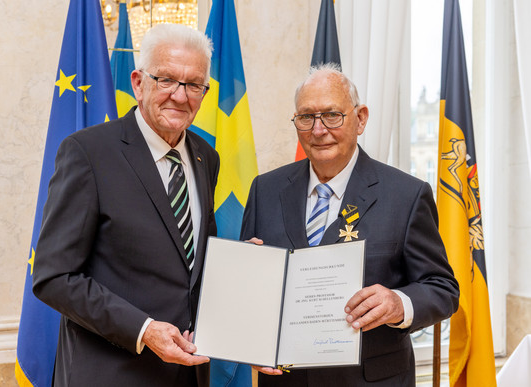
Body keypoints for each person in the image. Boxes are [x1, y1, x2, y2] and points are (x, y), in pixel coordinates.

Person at [240, 63, 459, 386]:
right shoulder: (265, 190)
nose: (318, 129)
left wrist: (399, 303)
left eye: (332, 115)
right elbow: (251, 290)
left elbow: (443, 289)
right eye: (306, 117)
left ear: (361, 118)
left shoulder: (406, 195)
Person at [32, 24, 219, 387]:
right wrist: (144, 330)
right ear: (138, 82)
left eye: (194, 84)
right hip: (110, 373)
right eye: (166, 79)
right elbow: (54, 277)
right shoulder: (88, 152)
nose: (180, 97)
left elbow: (190, 266)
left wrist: (242, 265)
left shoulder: (205, 158)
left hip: (188, 374)